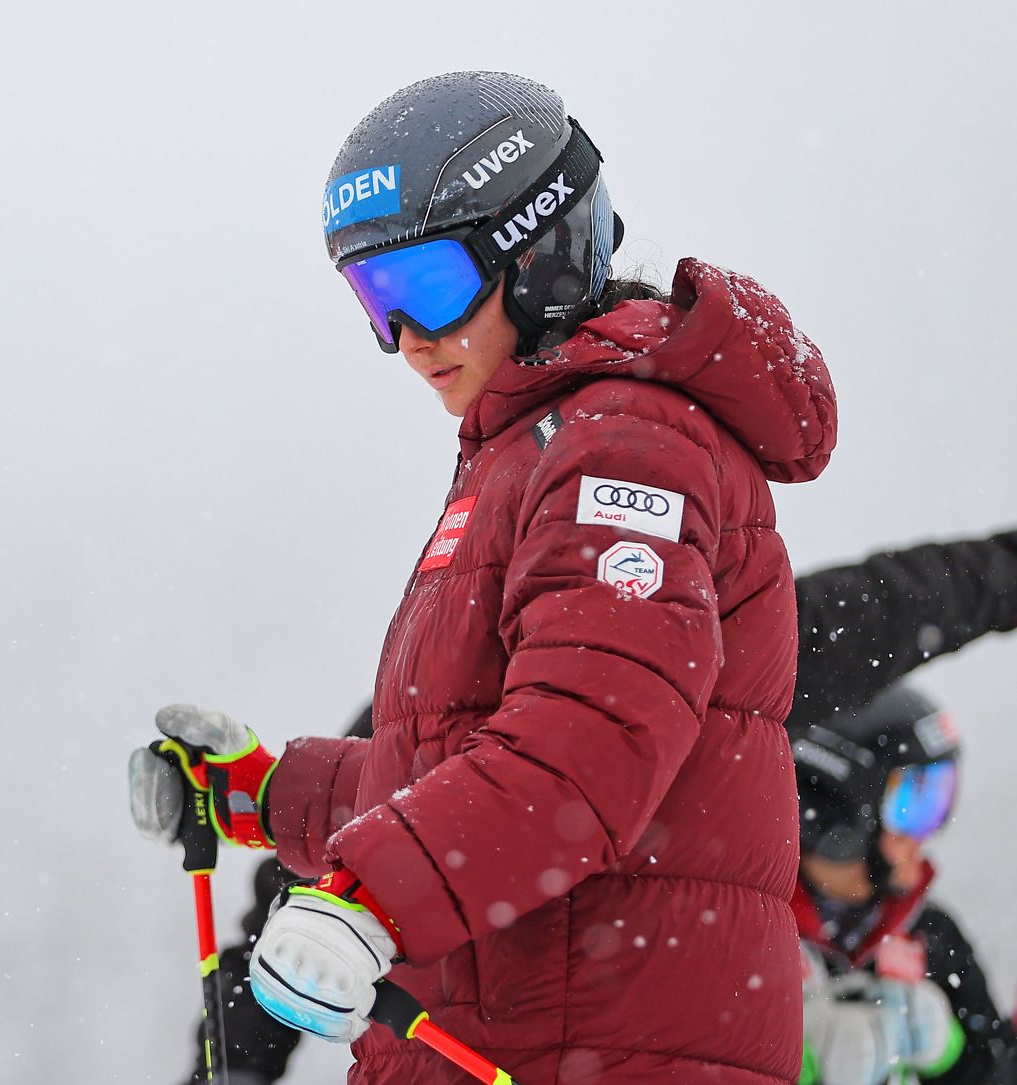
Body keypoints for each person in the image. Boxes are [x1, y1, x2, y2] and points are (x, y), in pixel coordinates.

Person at [131, 70, 838, 1085]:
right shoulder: (535, 445)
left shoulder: (624, 446)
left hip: (598, 1047)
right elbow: (472, 758)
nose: (407, 339)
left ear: (543, 253)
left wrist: (371, 897)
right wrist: (272, 792)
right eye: (376, 299)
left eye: (427, 287)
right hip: (521, 1037)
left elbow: (585, 747)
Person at [178, 528, 1017, 1085]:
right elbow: (328, 844)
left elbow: (895, 604)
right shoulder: (458, 692)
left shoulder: (716, 660)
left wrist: (945, 1052)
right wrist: (236, 1064)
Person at [793, 684, 1017, 1085]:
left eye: (939, 799)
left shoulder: (932, 937)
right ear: (840, 817)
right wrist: (794, 1066)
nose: (926, 836)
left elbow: (998, 1068)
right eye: (913, 805)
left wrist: (951, 1054)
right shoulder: (748, 934)